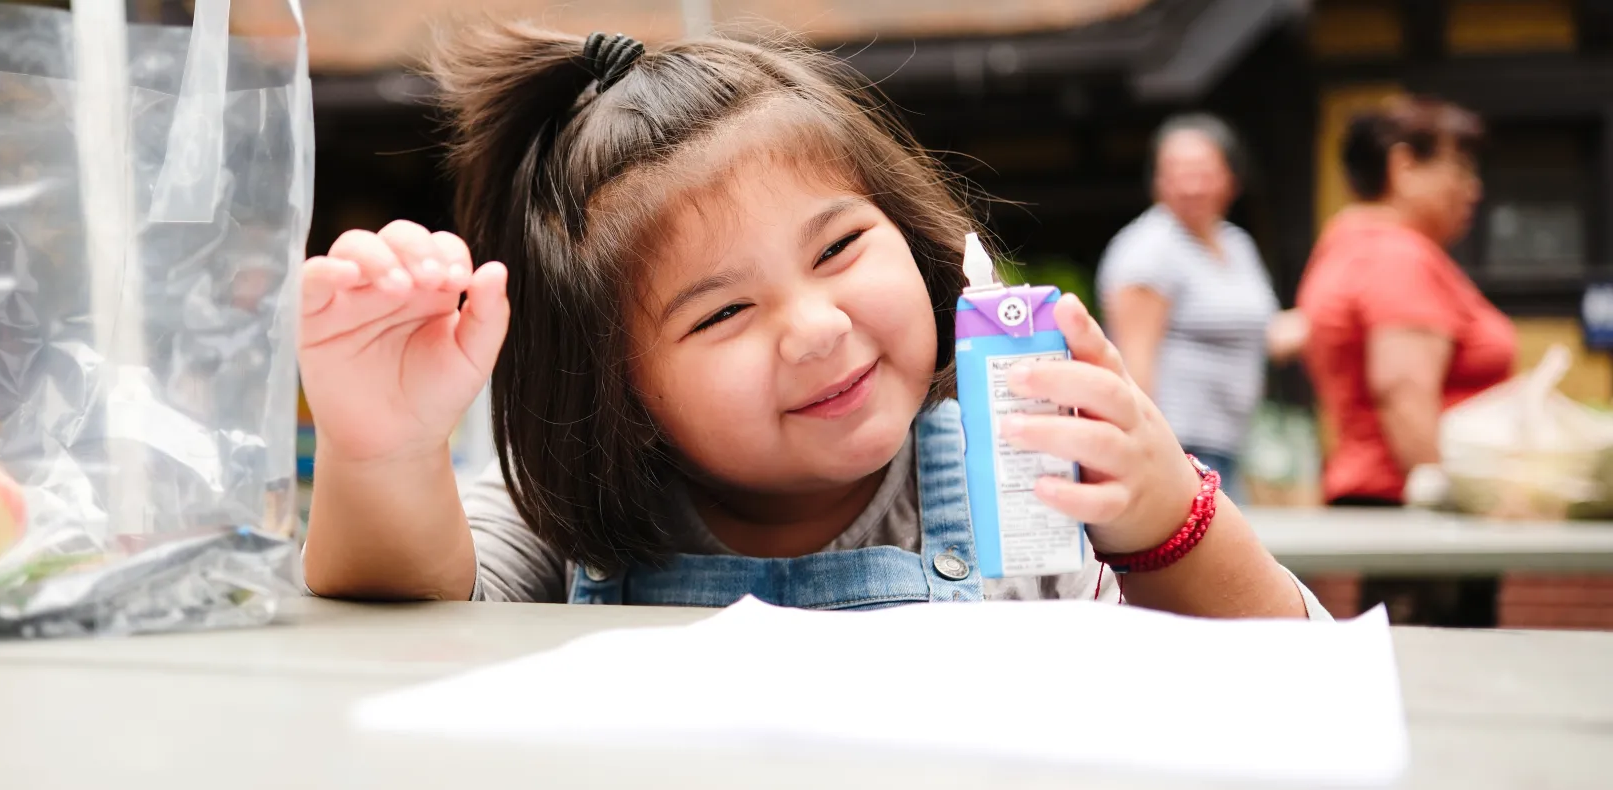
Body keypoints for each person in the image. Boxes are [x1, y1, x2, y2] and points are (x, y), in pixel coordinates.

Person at [296, 23, 1324, 620]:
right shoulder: (571, 517)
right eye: (725, 311)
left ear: (917, 237)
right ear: (615, 386)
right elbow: (413, 616)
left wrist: (1167, 525)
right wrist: (381, 451)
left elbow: (1300, 676)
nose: (817, 327)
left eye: (839, 249)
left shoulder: (1032, 467)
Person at [1297, 96, 1514, 625]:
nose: (1473, 188)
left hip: (1388, 505)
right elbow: (1402, 392)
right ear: (1403, 166)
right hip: (1422, 517)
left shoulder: (1346, 244)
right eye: (1459, 167)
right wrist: (1446, 509)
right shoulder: (1397, 256)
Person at [1097, 114, 1293, 503]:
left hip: (1234, 442)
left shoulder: (1235, 243)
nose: (1189, 185)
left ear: (1231, 178)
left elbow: (1264, 333)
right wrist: (1148, 455)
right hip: (1180, 446)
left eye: (1202, 171)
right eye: (1176, 172)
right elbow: (1135, 362)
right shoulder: (1148, 250)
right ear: (1157, 182)